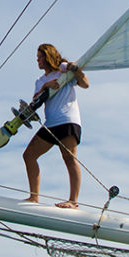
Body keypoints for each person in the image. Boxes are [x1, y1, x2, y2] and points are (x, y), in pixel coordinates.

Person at [23, 43, 89, 208]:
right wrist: (46, 86)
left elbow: (85, 84)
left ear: (48, 57)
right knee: (29, 155)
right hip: (51, 123)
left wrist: (75, 69)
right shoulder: (40, 81)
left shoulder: (63, 69)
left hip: (67, 120)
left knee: (69, 158)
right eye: (37, 57)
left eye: (40, 57)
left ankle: (73, 201)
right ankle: (33, 197)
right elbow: (35, 102)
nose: (37, 60)